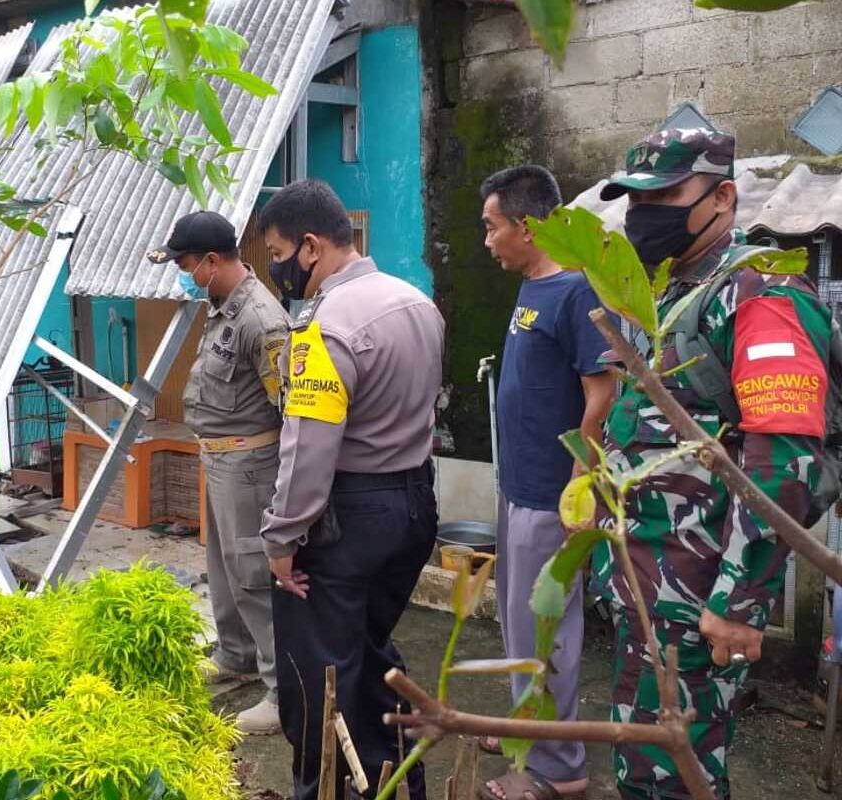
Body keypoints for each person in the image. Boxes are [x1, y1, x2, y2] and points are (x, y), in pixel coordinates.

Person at [591, 129, 829, 799]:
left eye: (666, 195)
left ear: (723, 197)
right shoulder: (669, 293)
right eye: (637, 198)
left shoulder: (760, 295)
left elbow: (784, 463)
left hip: (699, 599)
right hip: (649, 590)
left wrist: (739, 601)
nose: (645, 212)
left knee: (677, 774)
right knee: (645, 764)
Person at [258, 179, 446, 800]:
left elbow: (309, 446)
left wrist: (282, 537)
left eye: (279, 252)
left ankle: (328, 789)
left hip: (347, 519)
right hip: (414, 502)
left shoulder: (325, 327)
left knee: (320, 677)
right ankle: (400, 782)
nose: (278, 268)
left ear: (310, 247)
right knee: (372, 650)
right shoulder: (415, 301)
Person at [477, 166, 617, 800]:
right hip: (520, 487)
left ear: (527, 228)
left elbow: (602, 395)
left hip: (551, 499)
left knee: (546, 631)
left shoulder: (577, 295)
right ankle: (521, 729)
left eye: (492, 226)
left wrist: (580, 489)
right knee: (517, 622)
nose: (487, 240)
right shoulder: (534, 286)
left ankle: (555, 769)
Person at [147, 210, 290, 734]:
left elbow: (288, 410)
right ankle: (237, 654)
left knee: (254, 573)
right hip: (220, 457)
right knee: (225, 568)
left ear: (211, 260)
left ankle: (282, 693)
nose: (184, 272)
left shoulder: (260, 318)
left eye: (186, 263)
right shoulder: (222, 308)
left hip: (251, 464)